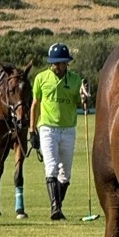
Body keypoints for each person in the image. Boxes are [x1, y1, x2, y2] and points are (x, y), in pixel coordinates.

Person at [29, 42, 90, 221]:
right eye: (56, 63)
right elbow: (35, 105)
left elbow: (81, 99)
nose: (59, 66)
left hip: (69, 129)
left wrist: (84, 98)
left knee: (66, 174)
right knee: (52, 167)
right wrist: (32, 130)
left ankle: (58, 205)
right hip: (48, 128)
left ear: (67, 63)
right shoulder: (41, 78)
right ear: (51, 63)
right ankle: (55, 208)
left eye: (62, 63)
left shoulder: (75, 79)